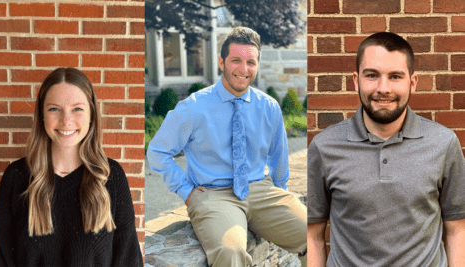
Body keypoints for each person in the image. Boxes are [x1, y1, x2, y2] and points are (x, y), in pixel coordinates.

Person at [147, 26, 307, 266]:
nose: (244, 69)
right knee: (230, 253)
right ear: (221, 62)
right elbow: (158, 151)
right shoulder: (193, 107)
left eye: (250, 62)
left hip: (260, 190)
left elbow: (278, 156)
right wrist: (184, 190)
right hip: (214, 195)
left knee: (316, 233)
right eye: (236, 61)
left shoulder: (269, 107)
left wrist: (280, 194)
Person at [308, 32, 465, 266]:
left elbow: (457, 229)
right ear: (355, 80)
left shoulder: (443, 143)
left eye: (395, 76)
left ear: (412, 82)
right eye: (372, 75)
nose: (383, 88)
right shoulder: (324, 146)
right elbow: (313, 235)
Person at [0, 67, 143, 266]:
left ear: (91, 115)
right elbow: (3, 260)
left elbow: (128, 259)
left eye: (77, 109)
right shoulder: (17, 177)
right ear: (42, 115)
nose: (66, 121)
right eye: (54, 109)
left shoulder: (111, 176)